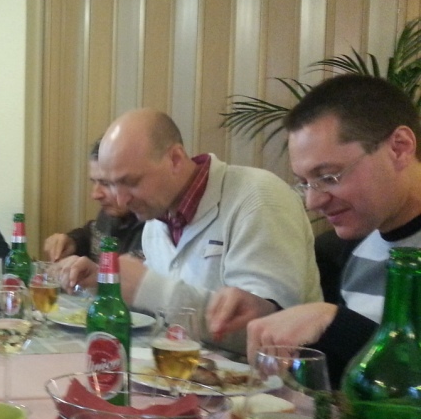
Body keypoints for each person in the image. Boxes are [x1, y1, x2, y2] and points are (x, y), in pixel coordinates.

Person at [207, 74, 421, 379]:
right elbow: (355, 375)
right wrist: (272, 314)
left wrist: (334, 321)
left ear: (399, 148)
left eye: (329, 176)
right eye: (306, 182)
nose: (313, 201)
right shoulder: (354, 247)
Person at [58, 108, 321, 352]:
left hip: (271, 385)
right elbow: (162, 319)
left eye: (131, 182)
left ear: (175, 159)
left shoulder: (259, 197)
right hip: (185, 375)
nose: (121, 199)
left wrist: (150, 289)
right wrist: (107, 284)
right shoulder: (155, 220)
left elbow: (268, 335)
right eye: (112, 184)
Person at [43, 139, 145, 262]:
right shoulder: (111, 213)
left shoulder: (158, 228)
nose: (95, 195)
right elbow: (92, 234)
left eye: (106, 183)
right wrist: (73, 242)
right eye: (94, 182)